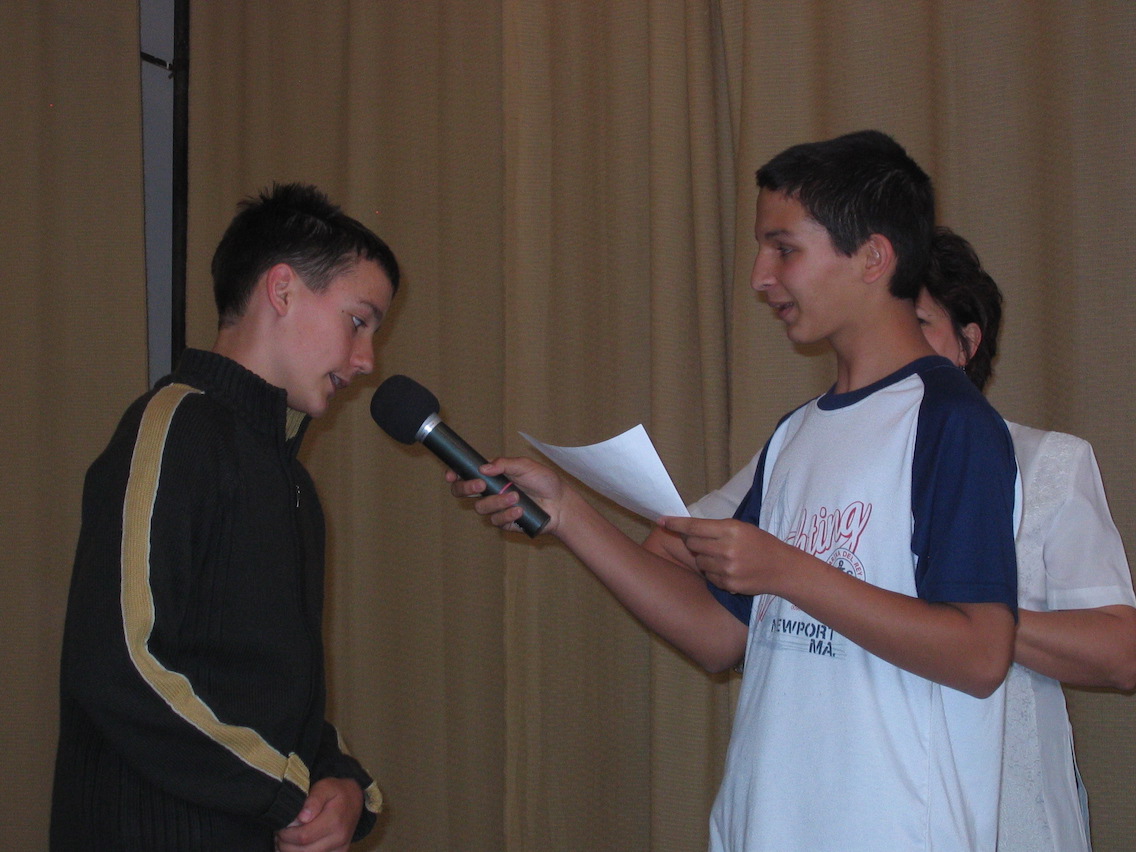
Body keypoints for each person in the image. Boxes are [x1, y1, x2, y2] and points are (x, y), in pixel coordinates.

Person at [449, 130, 1019, 850]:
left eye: (784, 249)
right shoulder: (796, 433)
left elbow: (980, 654)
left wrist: (786, 570)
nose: (759, 277)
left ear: (873, 257)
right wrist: (569, 514)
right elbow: (721, 635)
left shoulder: (951, 422)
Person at [50, 183, 398, 851]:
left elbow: (272, 698)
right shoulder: (174, 427)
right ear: (282, 289)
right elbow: (119, 665)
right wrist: (287, 792)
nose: (366, 362)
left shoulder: (292, 485)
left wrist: (343, 785)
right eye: (359, 321)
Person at [915, 226, 1136, 851]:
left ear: (967, 343)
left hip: (1011, 820)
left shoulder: (1047, 463)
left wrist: (969, 623)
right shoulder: (819, 459)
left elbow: (1121, 652)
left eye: (918, 326)